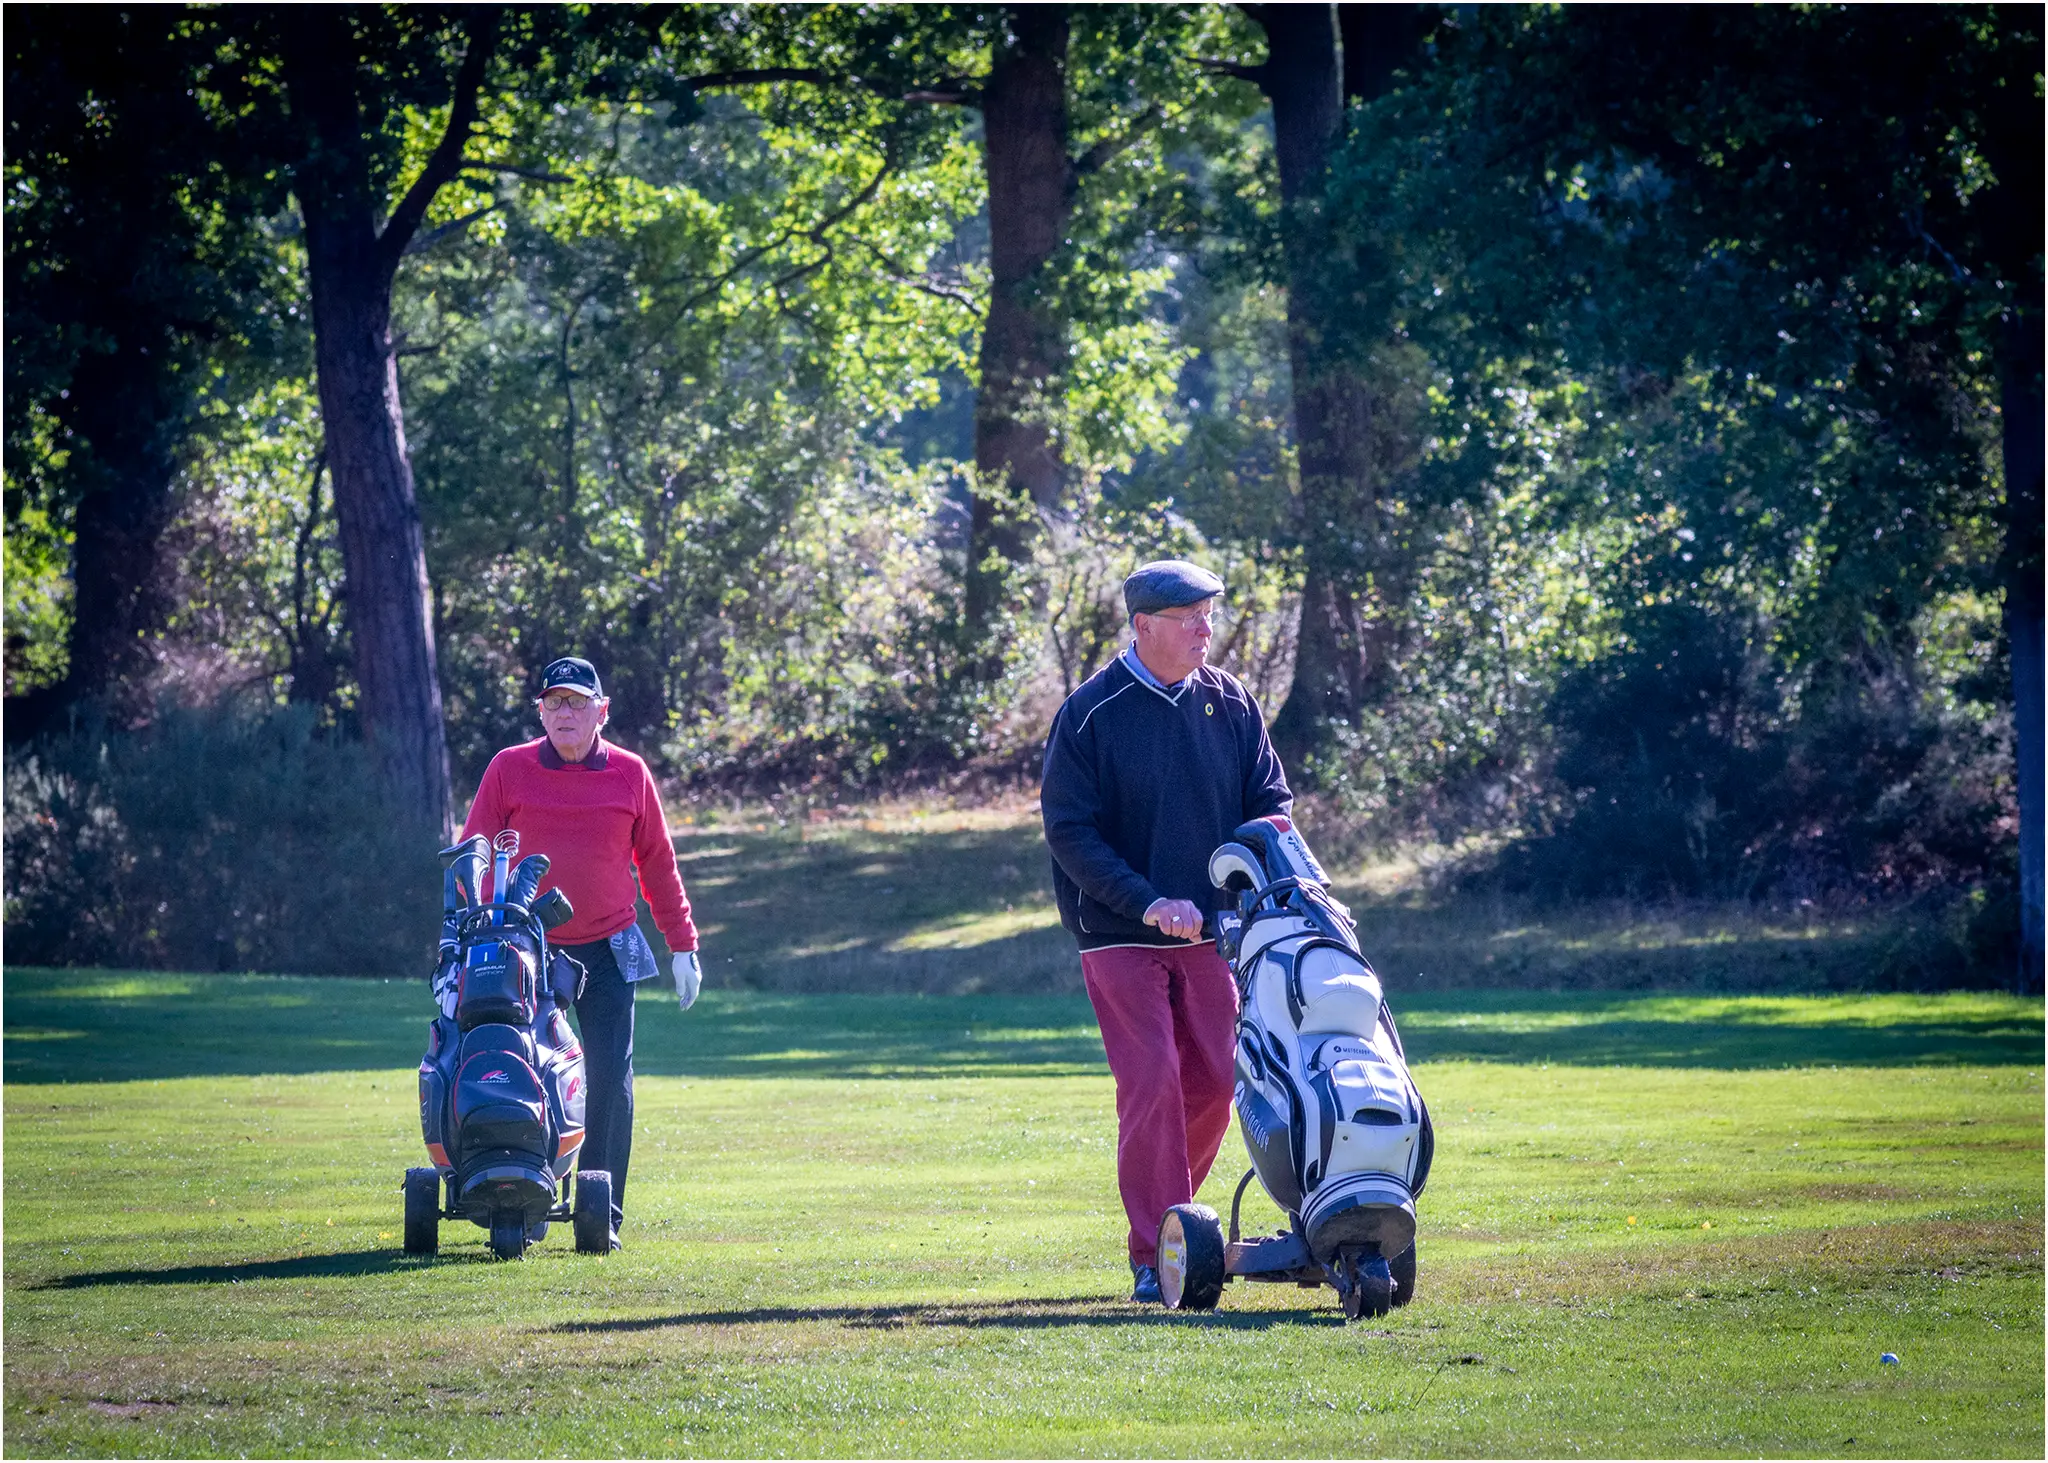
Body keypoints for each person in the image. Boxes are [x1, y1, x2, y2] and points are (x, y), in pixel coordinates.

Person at [1040, 560, 1292, 1303]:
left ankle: (1178, 1226)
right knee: (1152, 1079)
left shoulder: (1231, 702)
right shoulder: (1091, 712)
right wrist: (1148, 902)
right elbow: (1070, 832)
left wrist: (1266, 859)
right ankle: (1157, 1253)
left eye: (1209, 615)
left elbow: (1271, 799)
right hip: (1117, 930)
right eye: (1189, 618)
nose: (1204, 630)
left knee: (1219, 1079)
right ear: (1143, 625)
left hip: (1213, 931)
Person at [458, 656, 702, 1250]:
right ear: (540, 711)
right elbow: (474, 852)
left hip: (609, 947)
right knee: (525, 1071)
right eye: (554, 702)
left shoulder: (630, 773)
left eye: (576, 702)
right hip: (524, 947)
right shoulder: (509, 769)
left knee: (609, 1077)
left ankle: (602, 1215)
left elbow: (658, 865)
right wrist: (478, 918)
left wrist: (682, 945)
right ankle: (526, 1195)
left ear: (602, 710)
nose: (564, 712)